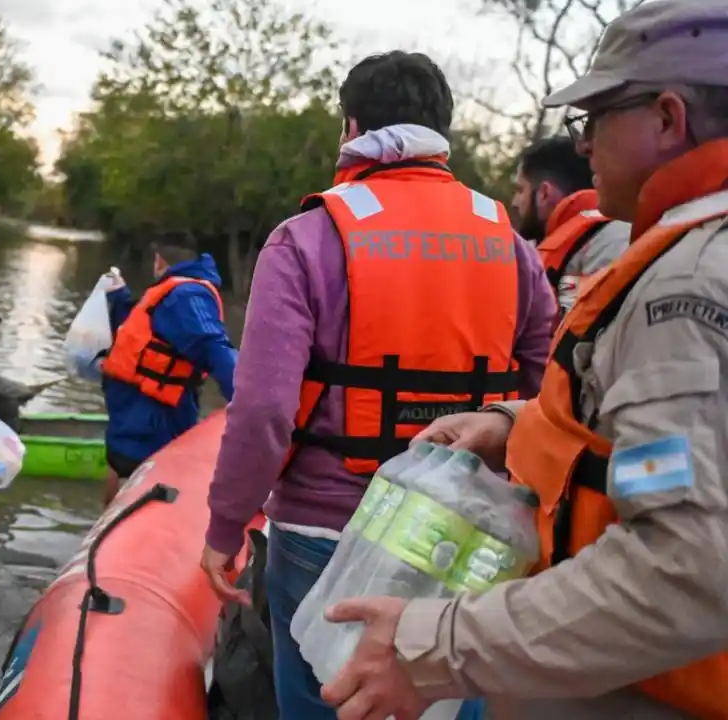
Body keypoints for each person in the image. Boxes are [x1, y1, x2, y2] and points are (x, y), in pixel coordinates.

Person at [318, 0, 728, 720]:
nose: (582, 144)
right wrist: (514, 422)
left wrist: (435, 647)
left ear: (668, 119)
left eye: (597, 117)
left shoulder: (691, 283)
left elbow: (688, 565)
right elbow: (643, 440)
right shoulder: (681, 257)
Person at [199, 50, 556, 720]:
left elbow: (265, 411)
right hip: (460, 532)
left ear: (351, 127)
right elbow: (547, 391)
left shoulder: (305, 238)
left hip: (323, 527)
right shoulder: (509, 242)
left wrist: (224, 526)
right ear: (442, 133)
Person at [99, 231, 238, 505]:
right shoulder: (171, 291)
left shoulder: (186, 296)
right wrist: (119, 297)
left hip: (152, 423)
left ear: (159, 260)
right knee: (118, 470)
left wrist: (252, 406)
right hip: (132, 419)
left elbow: (215, 349)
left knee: (137, 488)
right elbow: (149, 334)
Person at [511, 135, 630, 313]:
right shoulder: (604, 238)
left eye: (521, 190)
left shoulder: (607, 244)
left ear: (544, 193)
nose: (515, 201)